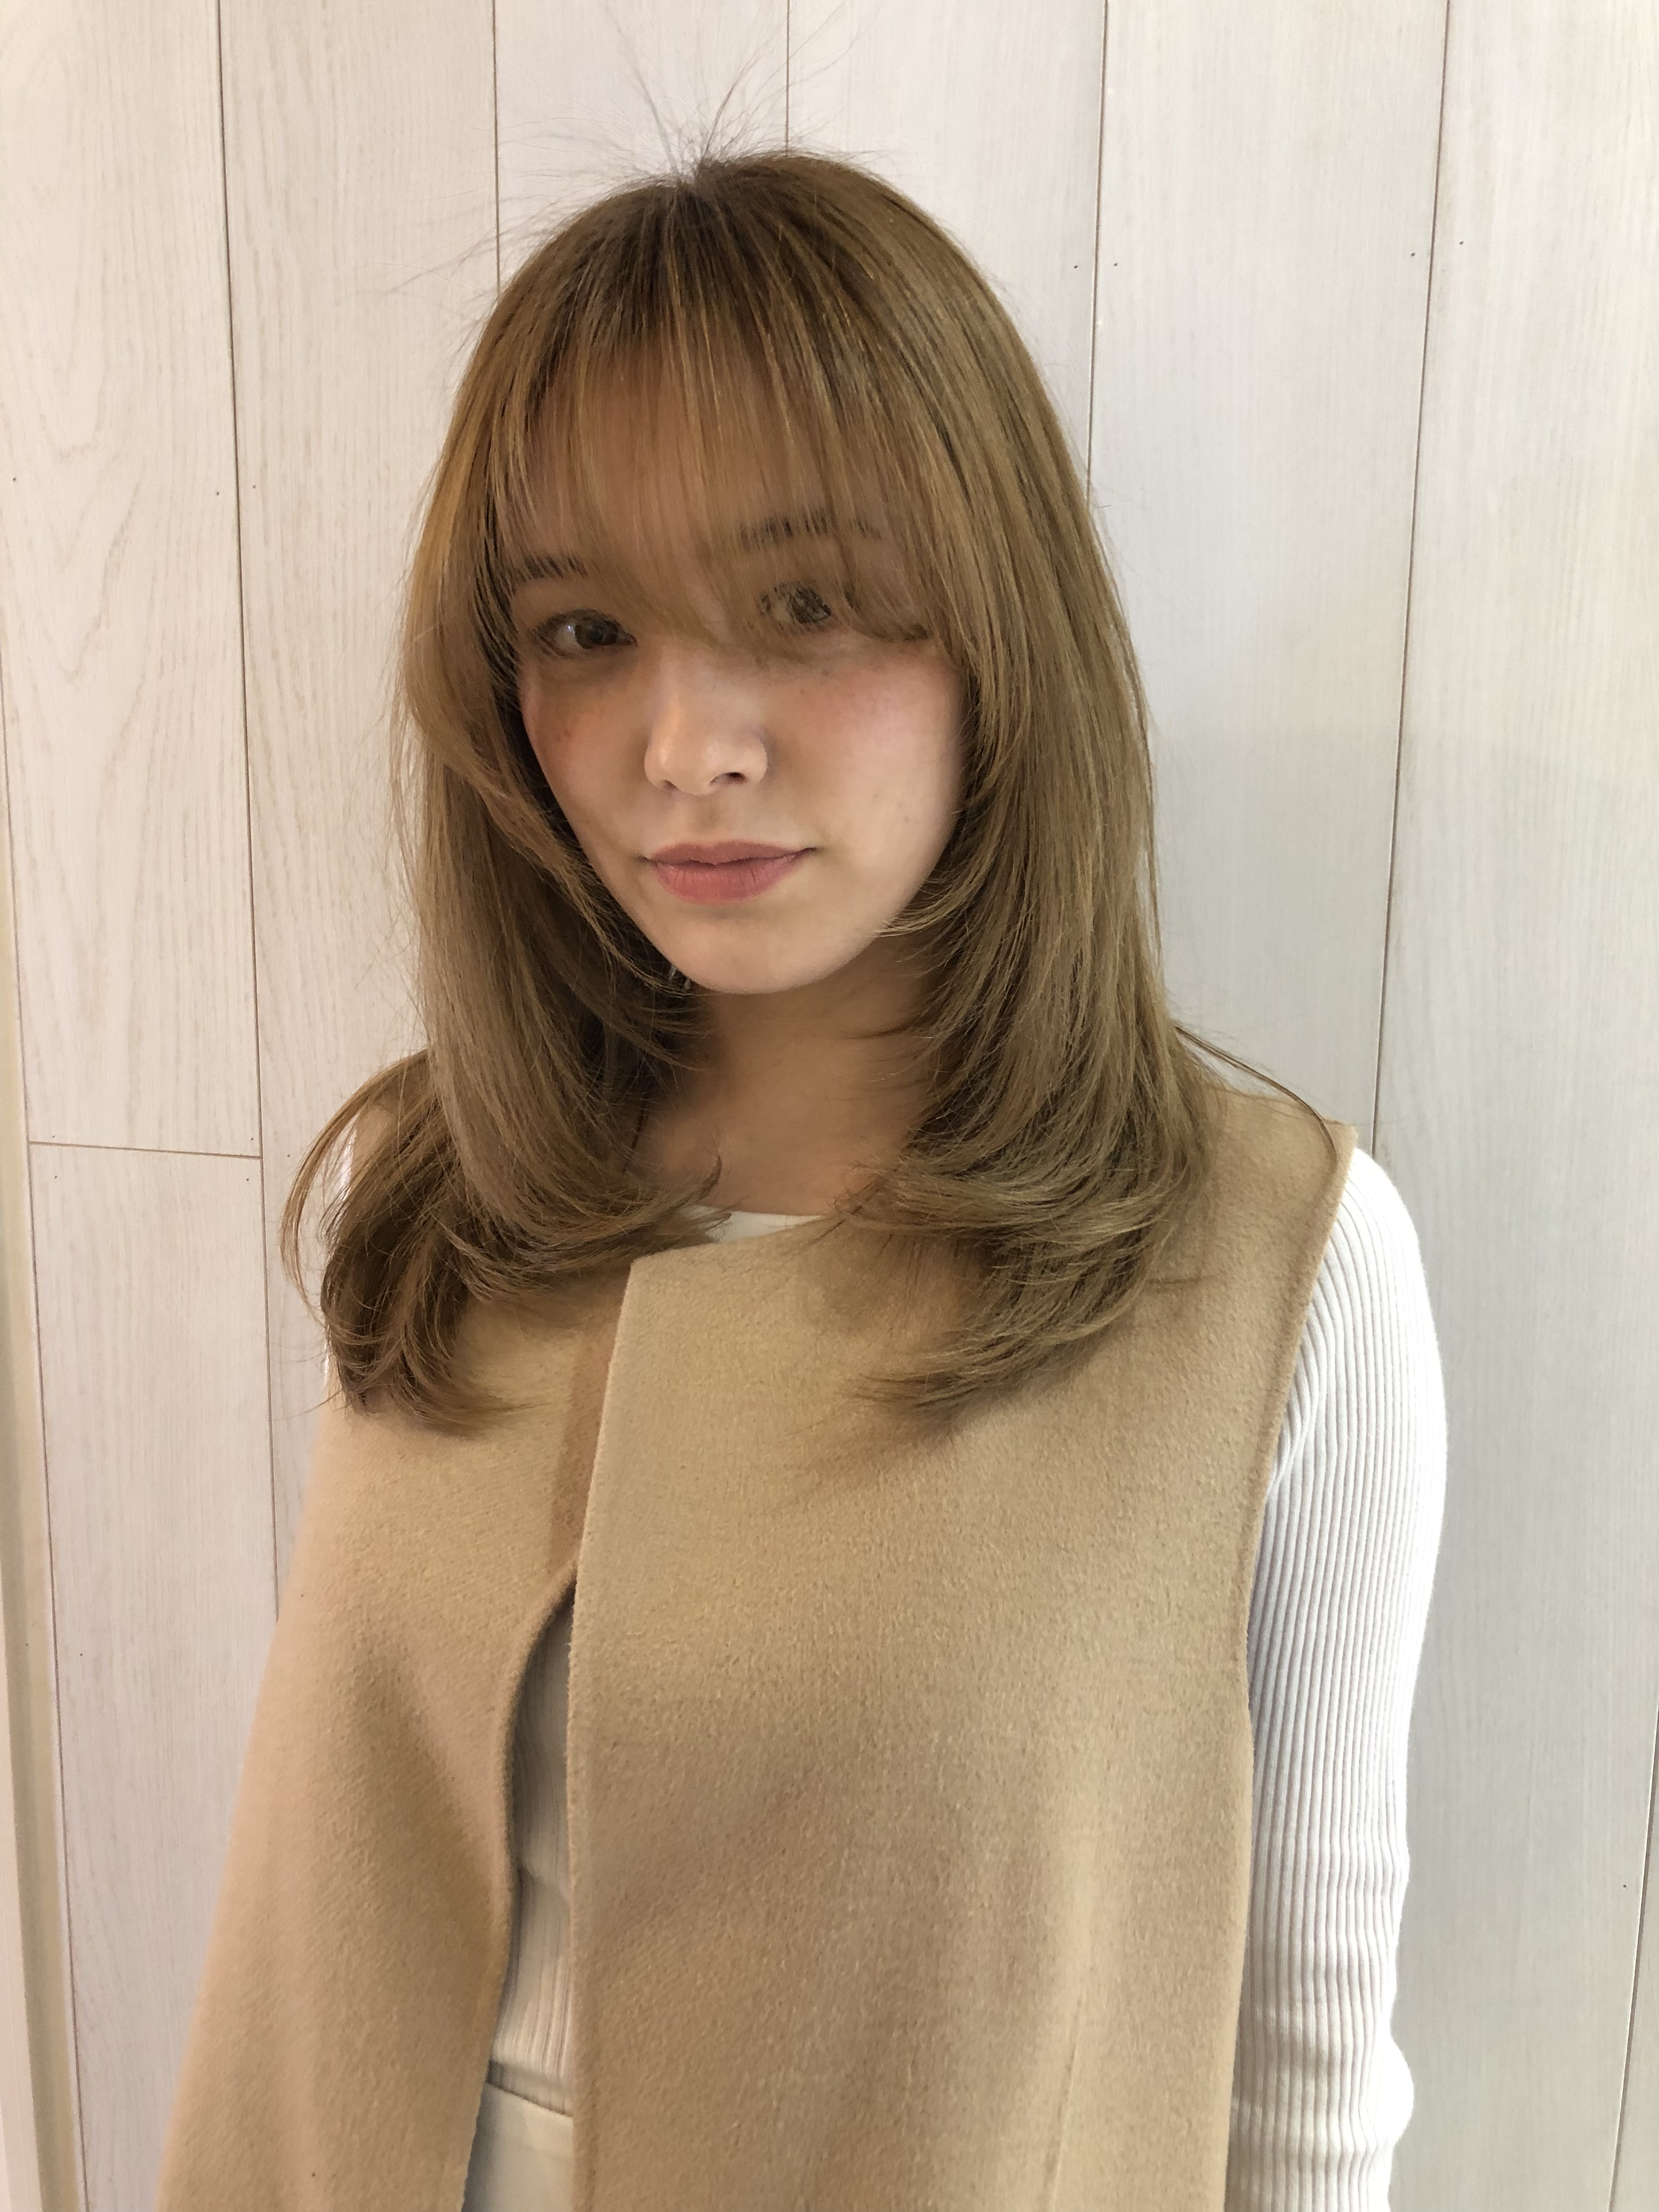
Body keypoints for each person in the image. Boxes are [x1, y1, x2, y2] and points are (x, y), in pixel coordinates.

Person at [155, 144, 1445, 2212]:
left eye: (807, 605)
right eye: (585, 629)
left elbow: (1300, 2066)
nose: (682, 745)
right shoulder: (458, 1182)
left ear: (996, 625)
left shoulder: (1266, 1267)